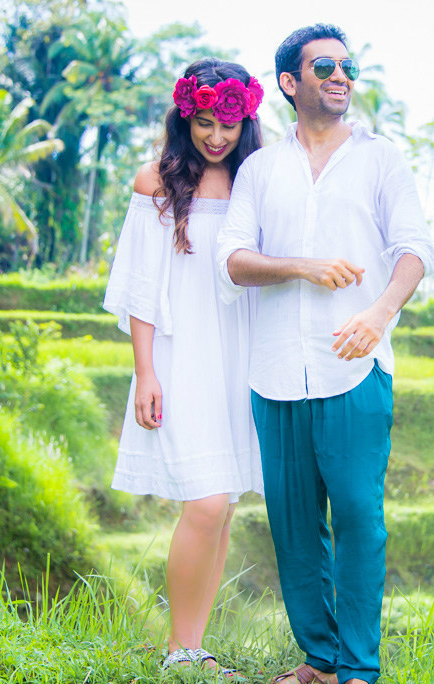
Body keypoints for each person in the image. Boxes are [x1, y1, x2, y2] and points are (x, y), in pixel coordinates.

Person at [215, 24, 434, 684]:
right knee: (292, 526)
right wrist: (303, 267)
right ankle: (320, 658)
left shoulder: (380, 159)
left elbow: (414, 251)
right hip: (276, 372)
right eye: (324, 67)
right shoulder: (259, 169)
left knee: (360, 520)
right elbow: (233, 259)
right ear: (290, 83)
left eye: (347, 66)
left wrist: (378, 313)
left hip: (355, 370)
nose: (341, 76)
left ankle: (358, 669)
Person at [102, 57, 265, 674]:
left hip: (239, 356)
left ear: (246, 119)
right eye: (204, 122)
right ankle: (180, 650)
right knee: (204, 501)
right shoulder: (156, 181)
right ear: (186, 117)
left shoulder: (254, 183)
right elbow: (141, 286)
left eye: (228, 123)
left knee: (222, 506)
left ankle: (193, 646)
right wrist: (145, 372)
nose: (216, 136)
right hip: (179, 354)